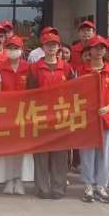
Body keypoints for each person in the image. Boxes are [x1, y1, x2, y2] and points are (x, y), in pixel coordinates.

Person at [28, 30, 75, 199]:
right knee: (41, 154)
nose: (51, 47)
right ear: (43, 47)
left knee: (60, 154)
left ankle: (58, 188)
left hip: (61, 116)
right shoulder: (34, 68)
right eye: (48, 45)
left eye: (54, 45)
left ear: (59, 47)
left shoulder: (67, 68)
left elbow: (73, 91)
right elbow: (29, 93)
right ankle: (42, 188)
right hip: (41, 115)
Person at [78, 36, 109, 203]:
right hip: (88, 119)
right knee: (87, 153)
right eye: (96, 48)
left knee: (106, 153)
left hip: (107, 118)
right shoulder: (81, 70)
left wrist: (108, 108)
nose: (99, 51)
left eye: (102, 48)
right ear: (89, 50)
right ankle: (88, 185)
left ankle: (101, 185)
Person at [0, 35, 32, 195]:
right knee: (7, 148)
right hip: (6, 113)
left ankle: (20, 179)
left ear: (21, 50)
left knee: (22, 148)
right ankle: (8, 179)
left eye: (16, 48)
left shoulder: (29, 68)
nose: (13, 51)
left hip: (24, 113)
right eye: (10, 48)